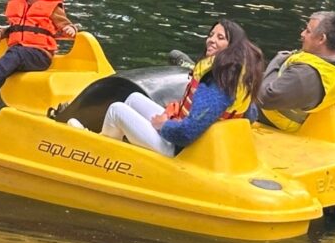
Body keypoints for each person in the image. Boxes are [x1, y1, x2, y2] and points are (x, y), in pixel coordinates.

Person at [99, 19, 264, 157]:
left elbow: (187, 133)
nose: (211, 40)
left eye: (220, 37)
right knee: (133, 98)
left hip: (179, 148)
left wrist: (163, 126)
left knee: (116, 110)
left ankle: (100, 154)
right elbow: (250, 115)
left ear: (232, 46)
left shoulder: (217, 82)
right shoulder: (238, 77)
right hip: (192, 140)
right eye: (211, 34)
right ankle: (116, 144)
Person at [257, 11, 335, 132]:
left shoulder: (303, 75)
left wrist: (277, 62)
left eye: (308, 31)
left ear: (321, 39)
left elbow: (265, 98)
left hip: (275, 119)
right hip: (312, 112)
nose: (302, 34)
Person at [0, 0, 77, 90]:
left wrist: (71, 28)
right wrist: (0, 32)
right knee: (14, 54)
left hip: (40, 55)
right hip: (20, 51)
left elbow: (65, 23)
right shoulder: (17, 4)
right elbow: (15, 27)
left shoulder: (51, 6)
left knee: (16, 54)